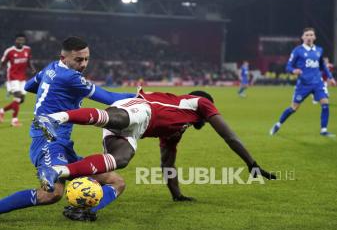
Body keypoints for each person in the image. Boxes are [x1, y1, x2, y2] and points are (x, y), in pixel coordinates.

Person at [0, 36, 136, 226]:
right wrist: (141, 97)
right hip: (48, 142)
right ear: (64, 58)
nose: (84, 64)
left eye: (86, 58)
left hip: (63, 145)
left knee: (117, 182)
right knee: (50, 194)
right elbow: (110, 97)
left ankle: (81, 210)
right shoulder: (71, 77)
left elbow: (29, 86)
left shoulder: (52, 67)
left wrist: (54, 92)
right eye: (79, 60)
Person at [34, 89, 277, 194]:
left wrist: (176, 195)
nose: (213, 113)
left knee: (121, 160)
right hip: (142, 108)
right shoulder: (198, 103)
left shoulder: (176, 130)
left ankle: (56, 171)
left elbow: (167, 164)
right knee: (116, 118)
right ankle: (55, 118)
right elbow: (229, 136)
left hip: (135, 131)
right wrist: (251, 163)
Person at [270, 28, 336, 137]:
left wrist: (330, 77)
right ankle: (278, 124)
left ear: (314, 37)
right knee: (294, 108)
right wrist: (293, 70)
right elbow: (288, 66)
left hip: (317, 83)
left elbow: (323, 66)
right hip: (304, 84)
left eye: (311, 35)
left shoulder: (319, 50)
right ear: (303, 37)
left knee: (325, 104)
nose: (309, 37)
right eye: (307, 35)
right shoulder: (297, 51)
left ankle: (324, 130)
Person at [0, 33, 35, 127]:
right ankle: (14, 120)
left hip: (22, 78)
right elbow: (1, 64)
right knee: (18, 97)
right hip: (12, 78)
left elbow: (29, 61)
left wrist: (33, 69)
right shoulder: (9, 51)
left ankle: (1, 111)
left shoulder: (27, 49)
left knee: (20, 100)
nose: (20, 42)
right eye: (19, 40)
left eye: (22, 40)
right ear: (15, 40)